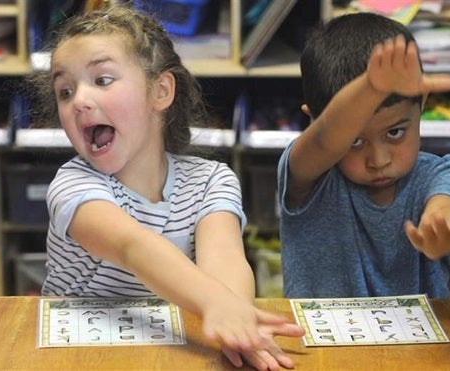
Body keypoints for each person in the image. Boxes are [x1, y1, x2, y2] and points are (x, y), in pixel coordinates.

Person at [35, 6, 304, 370]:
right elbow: (133, 246)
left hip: (169, 352)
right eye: (65, 91)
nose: (79, 100)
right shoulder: (73, 185)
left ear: (160, 91)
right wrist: (214, 302)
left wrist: (236, 323)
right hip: (76, 358)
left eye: (101, 80)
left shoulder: (211, 180)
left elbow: (225, 260)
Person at [278, 12, 450, 299]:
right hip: (320, 343)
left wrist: (440, 227)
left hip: (417, 344)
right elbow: (324, 138)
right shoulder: (311, 177)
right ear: (311, 120)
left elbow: (445, 205)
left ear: (422, 104)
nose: (379, 160)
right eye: (355, 140)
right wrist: (370, 89)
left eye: (395, 133)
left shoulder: (443, 174)